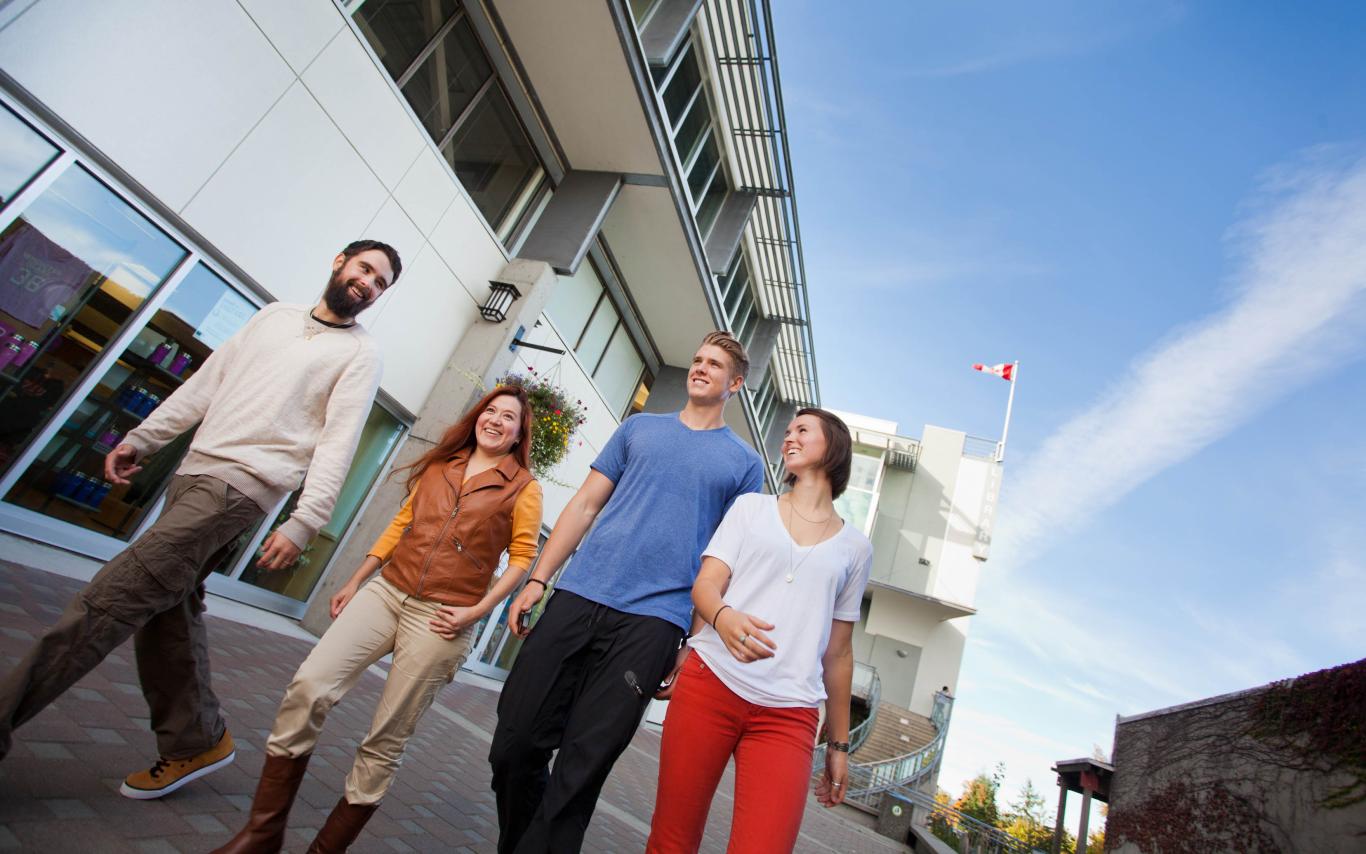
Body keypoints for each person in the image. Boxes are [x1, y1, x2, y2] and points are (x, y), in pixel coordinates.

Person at [0, 240, 400, 801]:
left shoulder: (360, 354)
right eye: (365, 269)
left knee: (106, 603)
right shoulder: (274, 317)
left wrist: (306, 519)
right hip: (193, 476)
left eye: (381, 283)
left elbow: (339, 441)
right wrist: (145, 435)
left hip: (239, 491)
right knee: (169, 612)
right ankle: (196, 740)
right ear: (339, 262)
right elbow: (206, 386)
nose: (369, 284)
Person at [214, 385, 543, 853]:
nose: (495, 420)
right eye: (490, 411)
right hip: (387, 592)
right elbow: (401, 524)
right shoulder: (439, 465)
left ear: (518, 435)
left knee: (385, 737)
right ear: (476, 417)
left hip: (442, 617)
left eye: (508, 417)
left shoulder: (523, 488)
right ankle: (262, 834)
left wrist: (477, 611)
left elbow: (522, 557)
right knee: (309, 686)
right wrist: (356, 579)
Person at [488, 331, 765, 853]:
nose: (701, 368)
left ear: (736, 383)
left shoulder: (744, 466)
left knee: (582, 767)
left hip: (654, 624)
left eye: (715, 364)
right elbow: (584, 506)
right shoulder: (639, 428)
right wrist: (539, 579)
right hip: (579, 596)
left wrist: (693, 644)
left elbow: (723, 564)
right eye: (698, 359)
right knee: (515, 743)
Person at [645, 408, 873, 854]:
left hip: (790, 714)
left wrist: (840, 745)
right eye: (787, 431)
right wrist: (724, 617)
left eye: (802, 431)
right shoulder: (751, 508)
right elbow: (706, 585)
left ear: (834, 448)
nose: (789, 437)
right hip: (711, 685)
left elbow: (840, 653)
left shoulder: (856, 548)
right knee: (671, 839)